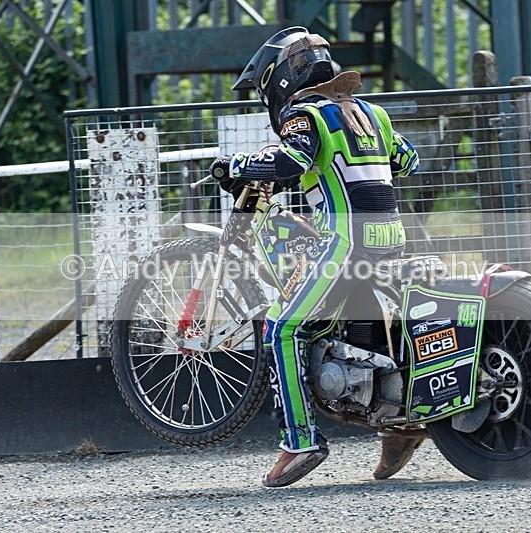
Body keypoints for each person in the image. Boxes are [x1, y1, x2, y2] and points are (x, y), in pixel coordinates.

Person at [208, 27, 421, 488]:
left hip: (347, 243)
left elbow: (289, 162)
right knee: (359, 328)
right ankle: (398, 424)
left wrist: (237, 166)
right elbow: (408, 161)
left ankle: (299, 440)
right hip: (391, 238)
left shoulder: (306, 115)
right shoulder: (373, 113)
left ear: (282, 78)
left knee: (282, 328)